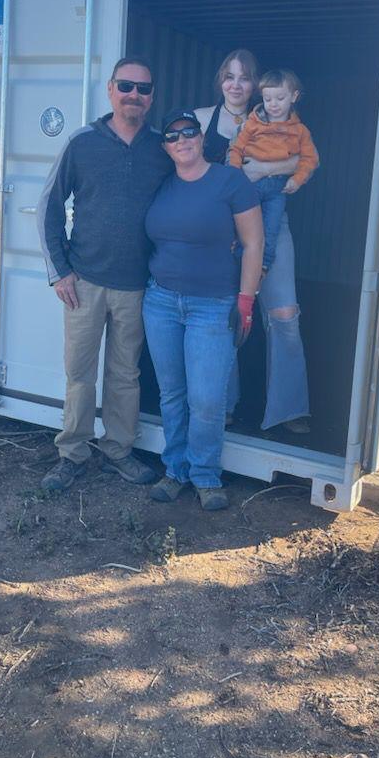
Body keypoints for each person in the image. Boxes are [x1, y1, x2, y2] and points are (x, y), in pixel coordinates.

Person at [37, 57, 173, 491]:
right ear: (111, 89)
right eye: (126, 86)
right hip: (84, 283)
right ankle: (72, 454)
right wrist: (60, 272)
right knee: (80, 374)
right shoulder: (82, 143)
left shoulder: (163, 149)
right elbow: (48, 208)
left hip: (137, 286)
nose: (134, 95)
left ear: (151, 97)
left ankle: (118, 451)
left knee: (125, 374)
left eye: (143, 88)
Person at [143, 109, 263, 510]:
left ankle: (206, 475)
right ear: (165, 147)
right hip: (160, 302)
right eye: (173, 136)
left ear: (201, 137)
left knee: (207, 399)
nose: (182, 140)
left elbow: (254, 244)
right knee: (172, 394)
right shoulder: (161, 185)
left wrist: (246, 300)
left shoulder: (230, 181)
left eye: (189, 132)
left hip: (213, 306)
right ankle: (175, 470)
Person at [194, 49, 311, 432]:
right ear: (220, 80)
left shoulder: (276, 117)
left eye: (244, 77)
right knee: (224, 314)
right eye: (229, 76)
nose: (236, 84)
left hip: (272, 226)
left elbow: (304, 158)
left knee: (284, 314)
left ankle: (289, 409)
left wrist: (260, 168)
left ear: (257, 85)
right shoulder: (200, 120)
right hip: (223, 231)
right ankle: (223, 404)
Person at [228, 68, 319, 274]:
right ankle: (238, 266)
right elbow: (236, 150)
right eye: (268, 99)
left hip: (277, 189)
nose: (273, 104)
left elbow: (310, 159)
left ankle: (263, 266)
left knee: (271, 229)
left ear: (294, 96)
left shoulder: (300, 131)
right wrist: (236, 175)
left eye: (280, 98)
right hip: (250, 186)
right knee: (242, 227)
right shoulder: (252, 124)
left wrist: (297, 179)